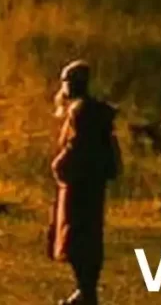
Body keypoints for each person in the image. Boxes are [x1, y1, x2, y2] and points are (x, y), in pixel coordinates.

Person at [47, 60, 122, 305]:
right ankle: (85, 291)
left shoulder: (80, 112)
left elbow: (77, 145)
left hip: (79, 184)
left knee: (77, 236)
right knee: (88, 235)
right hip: (92, 183)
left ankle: (85, 291)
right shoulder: (92, 111)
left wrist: (60, 164)